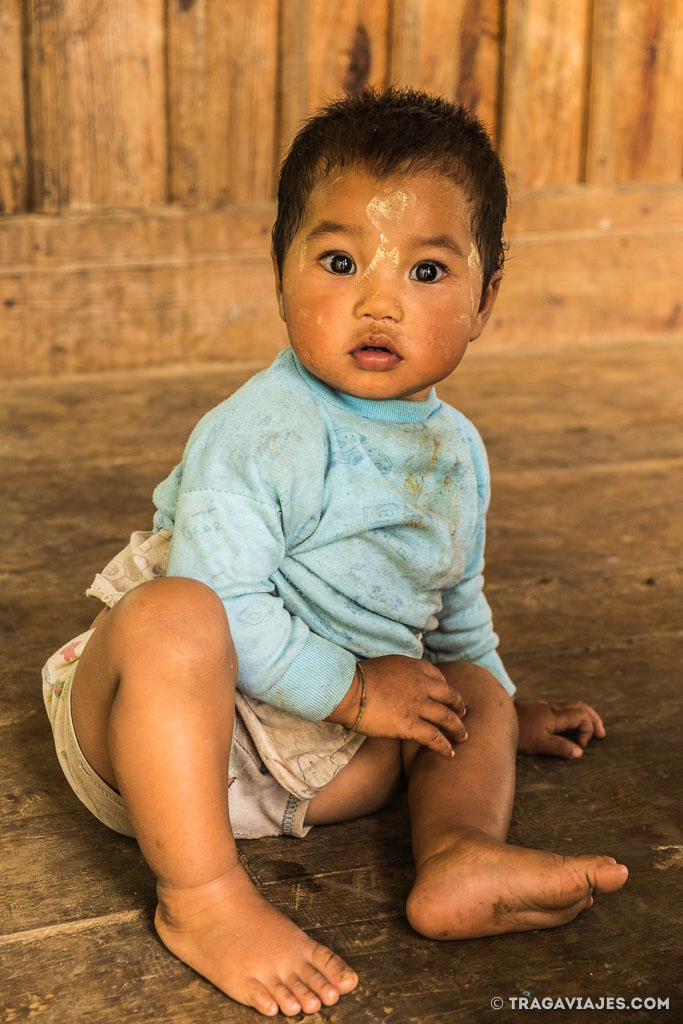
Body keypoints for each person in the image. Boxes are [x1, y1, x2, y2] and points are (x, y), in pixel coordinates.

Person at [42, 87, 628, 1018]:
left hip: (320, 764)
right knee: (175, 612)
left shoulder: (457, 452)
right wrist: (358, 693)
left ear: (486, 299)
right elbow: (226, 601)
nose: (378, 299)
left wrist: (498, 705)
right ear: (279, 273)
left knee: (465, 688)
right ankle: (200, 897)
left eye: (428, 271)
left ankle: (457, 856)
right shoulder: (261, 430)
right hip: (164, 740)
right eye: (340, 259)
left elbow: (454, 607)